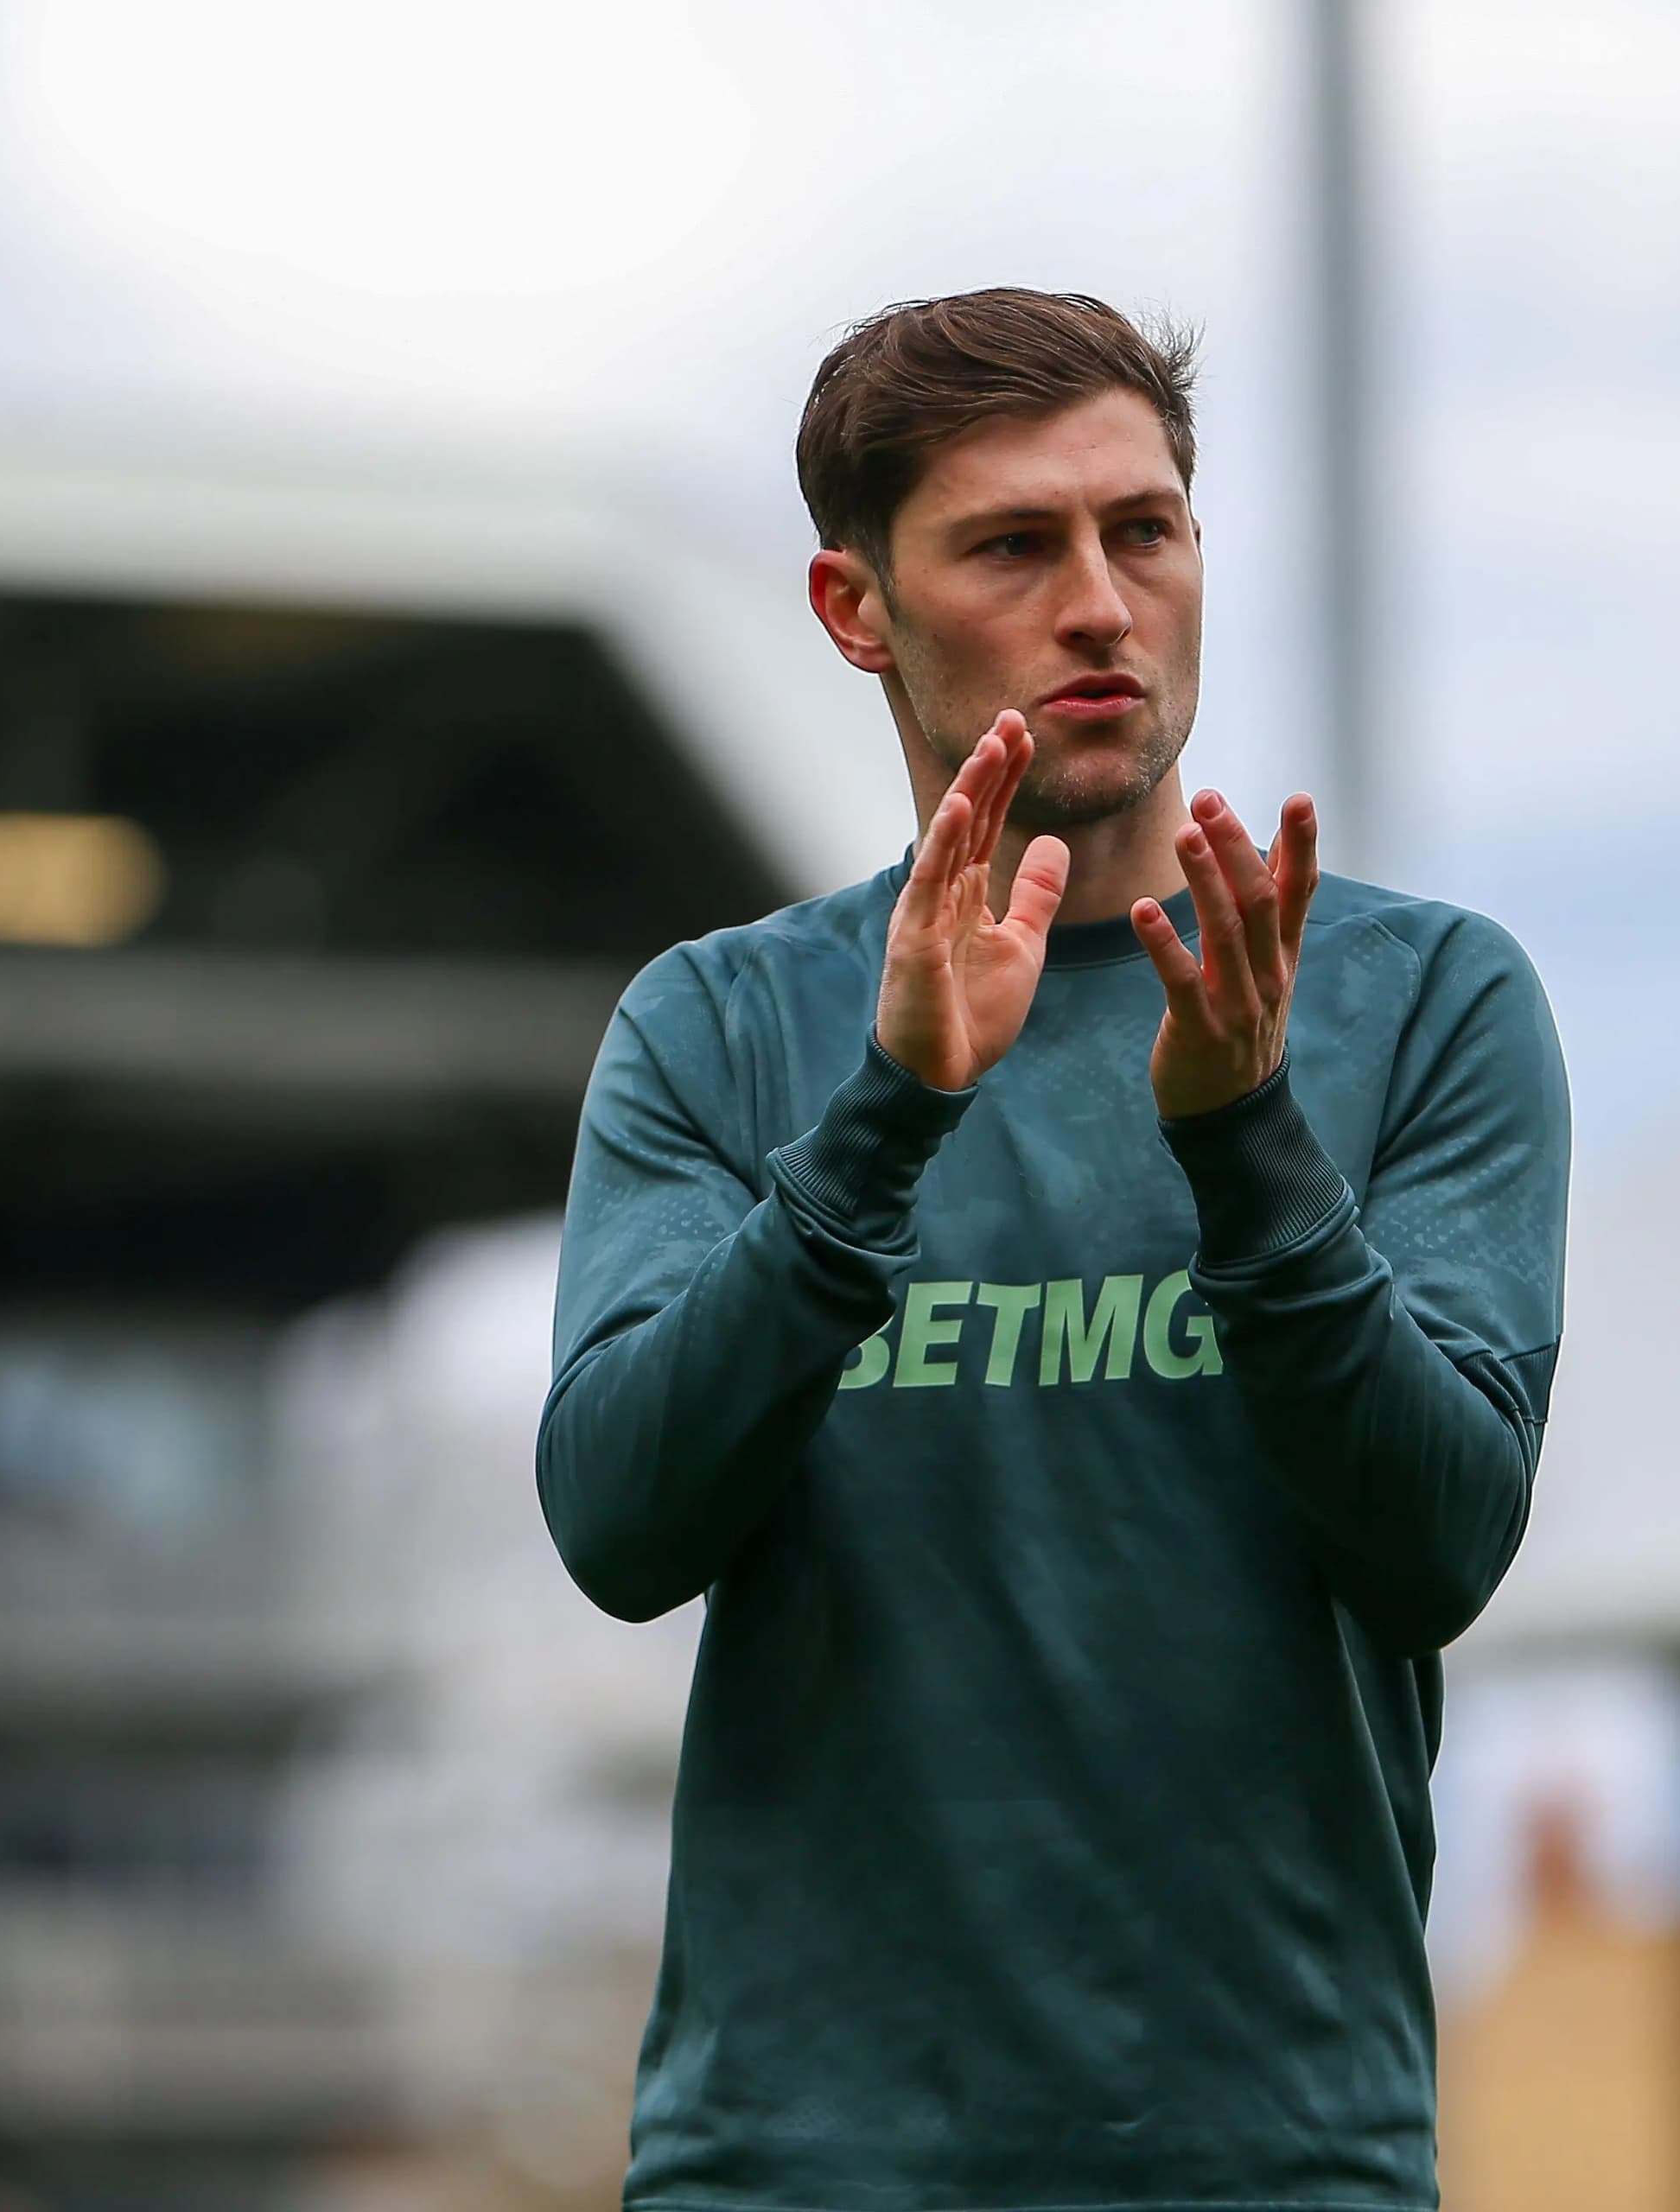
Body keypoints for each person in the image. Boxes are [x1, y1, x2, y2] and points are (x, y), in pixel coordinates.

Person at [537, 289, 1571, 2209]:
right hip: (801, 2165)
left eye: (1146, 529)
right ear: (859, 609)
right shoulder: (718, 1022)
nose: (1101, 600)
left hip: (1272, 2161)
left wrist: (1247, 1138)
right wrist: (888, 1117)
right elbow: (619, 1525)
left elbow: (1439, 1544)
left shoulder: (1425, 999)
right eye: (1016, 543)